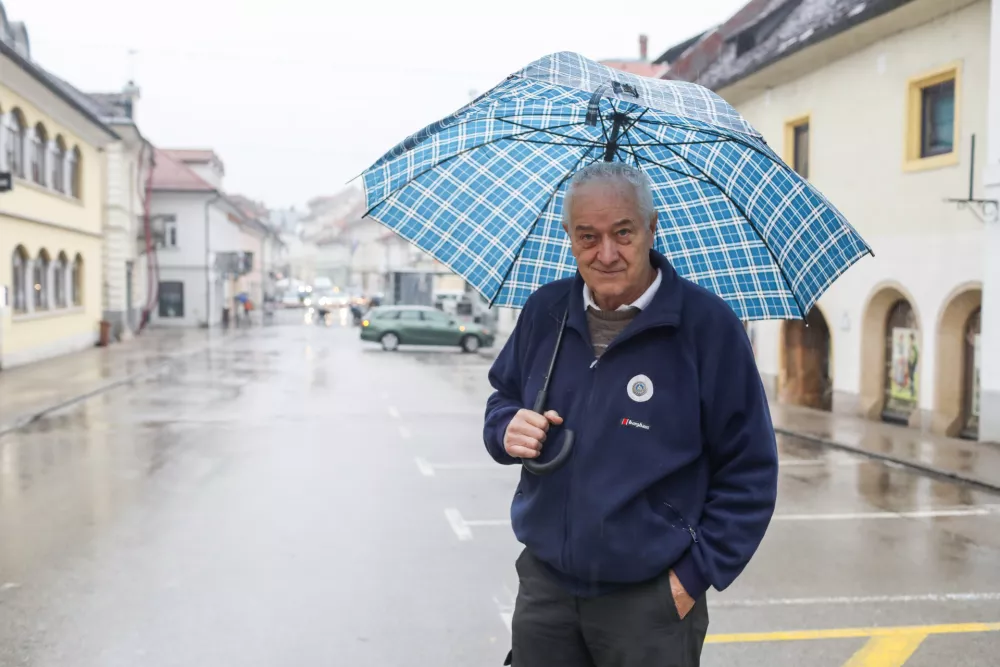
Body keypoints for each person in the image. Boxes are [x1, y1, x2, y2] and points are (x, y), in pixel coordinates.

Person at [483, 162, 779, 667]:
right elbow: (501, 400)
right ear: (569, 239)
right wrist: (506, 427)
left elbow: (749, 470)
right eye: (587, 236)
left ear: (651, 229)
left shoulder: (708, 329)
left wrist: (692, 578)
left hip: (650, 605)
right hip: (546, 590)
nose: (606, 253)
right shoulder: (545, 312)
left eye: (622, 232)